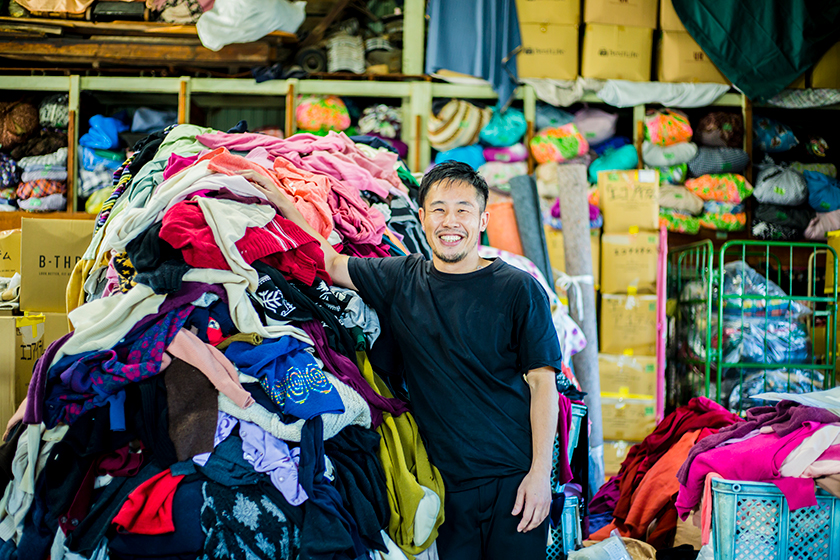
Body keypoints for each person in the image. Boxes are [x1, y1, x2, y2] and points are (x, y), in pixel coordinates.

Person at [244, 160, 563, 559]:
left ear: (482, 220)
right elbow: (330, 263)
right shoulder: (402, 277)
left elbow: (543, 384)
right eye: (440, 210)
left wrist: (539, 475)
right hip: (446, 484)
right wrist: (281, 201)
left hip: (513, 480)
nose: (451, 221)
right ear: (423, 217)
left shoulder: (519, 289)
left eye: (463, 210)